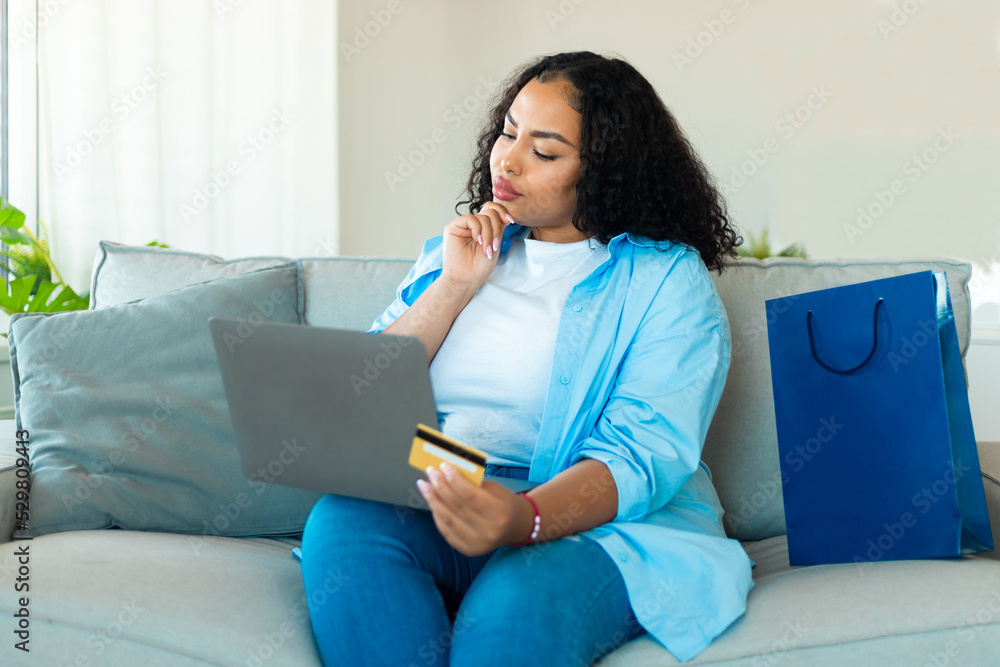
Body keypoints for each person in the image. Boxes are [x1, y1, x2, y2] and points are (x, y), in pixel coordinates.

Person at [299, 51, 754, 666]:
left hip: (591, 520)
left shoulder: (665, 280)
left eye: (544, 151)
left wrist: (522, 519)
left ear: (604, 172)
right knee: (342, 521)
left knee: (515, 607)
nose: (508, 160)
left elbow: (642, 456)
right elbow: (364, 394)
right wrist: (454, 286)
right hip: (447, 486)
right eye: (509, 132)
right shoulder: (450, 255)